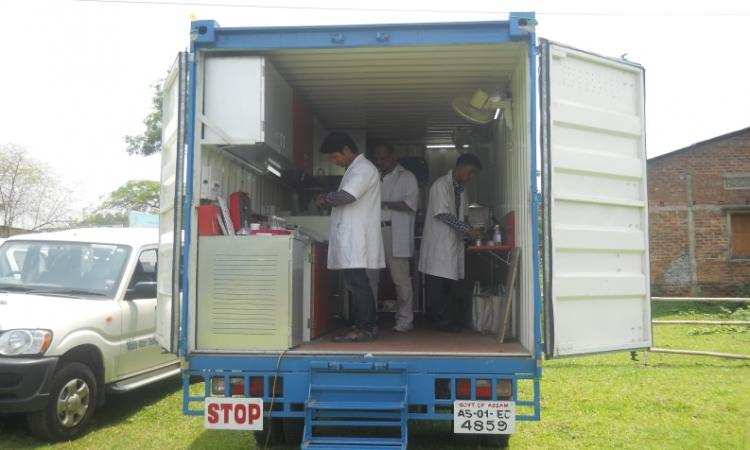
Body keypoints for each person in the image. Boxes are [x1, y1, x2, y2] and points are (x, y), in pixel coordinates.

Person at [316, 132, 385, 342]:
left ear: (347, 150)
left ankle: (365, 328)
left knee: (357, 283)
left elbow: (348, 196)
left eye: (335, 156)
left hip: (357, 237)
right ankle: (363, 326)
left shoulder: (363, 169)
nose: (334, 161)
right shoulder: (354, 169)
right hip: (353, 236)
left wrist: (325, 198)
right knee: (356, 283)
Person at [418, 153, 483, 332]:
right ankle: (441, 322)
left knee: (449, 286)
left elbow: (464, 216)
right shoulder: (441, 185)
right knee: (438, 285)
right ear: (460, 166)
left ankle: (446, 321)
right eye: (470, 172)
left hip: (453, 243)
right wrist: (467, 229)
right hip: (439, 244)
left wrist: (471, 229)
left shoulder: (461, 190)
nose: (471, 177)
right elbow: (443, 214)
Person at [366, 142, 419, 333]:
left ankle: (405, 320)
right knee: (371, 277)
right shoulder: (371, 176)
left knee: (400, 278)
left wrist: (384, 204)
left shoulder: (407, 177)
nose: (380, 162)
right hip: (372, 231)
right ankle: (369, 319)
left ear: (393, 156)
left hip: (395, 231)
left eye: (383, 158)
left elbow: (410, 203)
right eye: (376, 159)